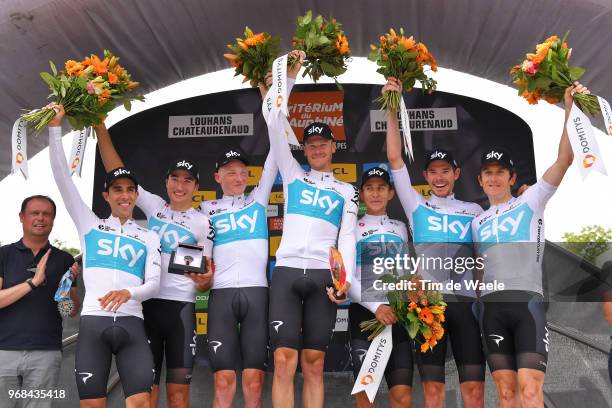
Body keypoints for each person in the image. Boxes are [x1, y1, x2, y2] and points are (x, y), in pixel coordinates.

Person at [471, 82, 588, 408]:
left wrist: (570, 107)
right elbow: (478, 271)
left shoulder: (532, 200)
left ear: (511, 177)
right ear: (480, 180)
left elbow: (564, 159)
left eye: (500, 172)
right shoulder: (476, 222)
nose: (493, 178)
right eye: (487, 173)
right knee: (506, 394)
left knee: (530, 390)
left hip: (528, 307)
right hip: (491, 310)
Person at [48, 104, 161, 408]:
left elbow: (154, 284)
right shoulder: (89, 224)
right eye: (117, 189)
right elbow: (62, 178)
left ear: (136, 195)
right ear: (106, 195)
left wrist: (129, 292)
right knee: (92, 405)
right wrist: (55, 128)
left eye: (130, 190)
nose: (125, 195)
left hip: (132, 324)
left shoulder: (149, 236)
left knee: (141, 403)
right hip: (94, 325)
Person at [95, 121, 214, 408]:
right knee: (144, 393)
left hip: (181, 312)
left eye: (187, 180)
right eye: (175, 178)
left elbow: (205, 277)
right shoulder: (154, 205)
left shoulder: (203, 223)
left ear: (196, 187)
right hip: (146, 308)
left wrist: (204, 283)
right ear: (166, 182)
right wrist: (100, 129)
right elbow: (116, 170)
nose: (180, 185)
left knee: (178, 394)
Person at [384, 77, 485, 408]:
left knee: (473, 390)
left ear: (457, 174)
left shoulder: (473, 210)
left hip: (467, 306)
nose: (439, 177)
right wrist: (391, 106)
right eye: (433, 172)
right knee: (432, 390)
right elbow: (395, 158)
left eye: (445, 171)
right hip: (429, 306)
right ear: (425, 176)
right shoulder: (415, 205)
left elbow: (485, 258)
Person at [265, 50, 358, 407]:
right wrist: (289, 77)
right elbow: (275, 124)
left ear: (333, 147)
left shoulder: (346, 190)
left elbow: (346, 237)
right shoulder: (292, 175)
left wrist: (343, 278)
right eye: (311, 144)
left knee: (315, 363)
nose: (317, 148)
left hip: (323, 276)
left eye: (323, 143)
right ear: (304, 149)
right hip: (287, 272)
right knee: (283, 362)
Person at [198, 80, 278, 407]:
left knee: (255, 379)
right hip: (221, 296)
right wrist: (199, 279)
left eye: (242, 171)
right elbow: (193, 259)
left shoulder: (258, 200)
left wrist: (269, 96)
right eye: (230, 171)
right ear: (217, 177)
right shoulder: (203, 210)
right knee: (223, 379)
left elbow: (278, 149)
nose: (237, 176)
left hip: (258, 294)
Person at [0, 195, 80, 408]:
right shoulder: (3, 254)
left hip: (46, 352)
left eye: (47, 214)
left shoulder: (65, 260)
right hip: (4, 350)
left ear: (53, 220)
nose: (41, 218)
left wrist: (67, 288)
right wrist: (33, 282)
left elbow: (70, 311)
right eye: (35, 213)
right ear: (22, 217)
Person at [347, 167, 413, 407]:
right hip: (365, 315)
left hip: (397, 316)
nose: (375, 193)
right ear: (362, 194)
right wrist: (376, 307)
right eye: (369, 188)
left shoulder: (401, 228)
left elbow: (405, 272)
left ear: (391, 192)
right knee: (365, 396)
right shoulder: (351, 229)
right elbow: (346, 278)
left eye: (381, 188)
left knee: (403, 396)